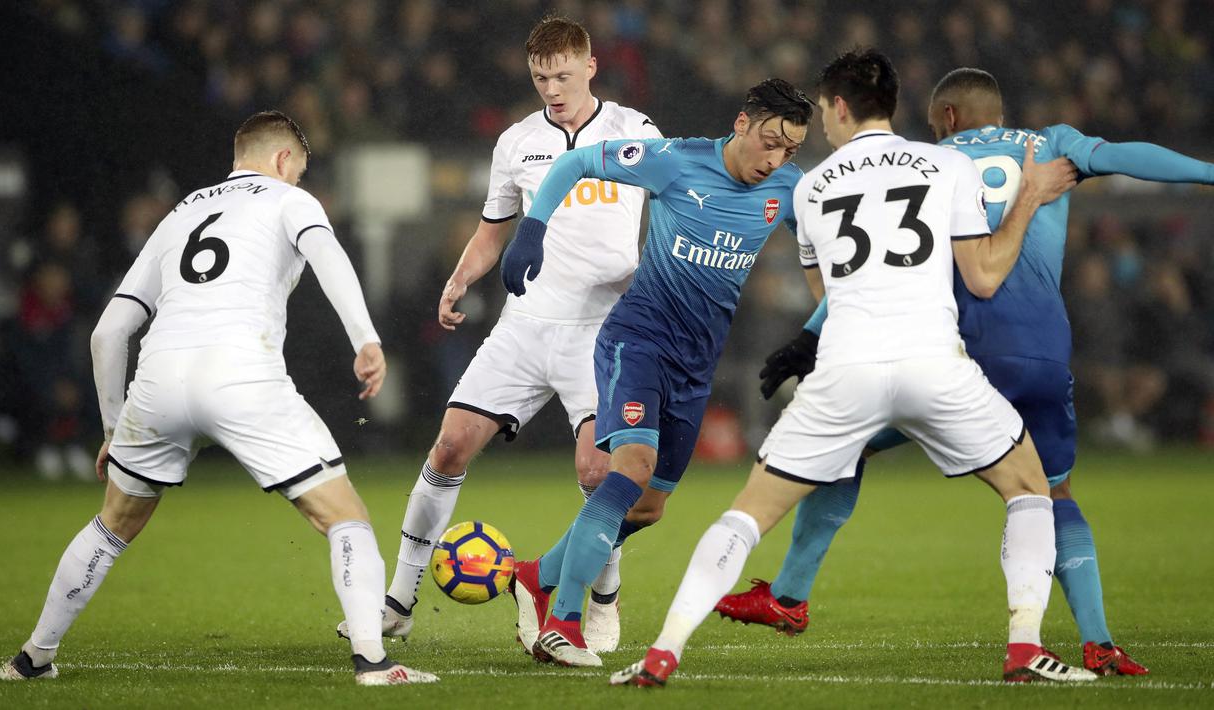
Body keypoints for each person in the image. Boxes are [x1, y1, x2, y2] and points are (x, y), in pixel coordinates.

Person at [610, 49, 1095, 687]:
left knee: (747, 515)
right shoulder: (947, 164)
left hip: (848, 372)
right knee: (1030, 490)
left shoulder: (812, 186)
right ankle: (1024, 647)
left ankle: (662, 653)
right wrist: (1028, 198)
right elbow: (981, 277)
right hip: (935, 365)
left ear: (839, 106)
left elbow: (828, 301)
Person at [720, 65, 1214, 676]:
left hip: (954, 354)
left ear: (946, 119)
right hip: (1041, 350)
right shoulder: (1047, 144)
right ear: (998, 113)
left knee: (843, 449)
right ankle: (1098, 639)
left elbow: (874, 267)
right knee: (1051, 494)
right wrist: (1206, 173)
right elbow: (1126, 155)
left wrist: (809, 336)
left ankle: (790, 595)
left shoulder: (927, 164)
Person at [0, 111, 436, 686]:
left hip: (158, 382)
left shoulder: (179, 212)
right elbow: (329, 257)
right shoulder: (288, 199)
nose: (299, 183)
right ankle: (374, 664)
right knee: (345, 518)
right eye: (299, 172)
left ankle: (32, 657)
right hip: (242, 376)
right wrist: (366, 339)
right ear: (283, 161)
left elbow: (107, 333)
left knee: (111, 526)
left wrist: (111, 430)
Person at [332, 16, 661, 656]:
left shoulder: (636, 131)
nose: (552, 89)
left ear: (591, 67)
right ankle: (398, 602)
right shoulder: (516, 141)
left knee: (600, 474)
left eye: (563, 75)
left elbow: (672, 206)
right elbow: (493, 230)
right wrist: (459, 279)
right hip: (524, 326)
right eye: (541, 78)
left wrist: (652, 275)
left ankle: (602, 598)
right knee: (450, 446)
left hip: (601, 330)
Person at [499, 77, 812, 667]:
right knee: (631, 471)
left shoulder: (789, 189)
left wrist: (823, 325)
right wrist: (533, 228)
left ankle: (537, 575)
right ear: (742, 124)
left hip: (696, 367)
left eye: (790, 149)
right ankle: (563, 621)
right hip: (636, 342)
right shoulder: (675, 161)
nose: (775, 159)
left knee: (647, 507)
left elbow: (826, 249)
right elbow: (575, 165)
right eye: (769, 141)